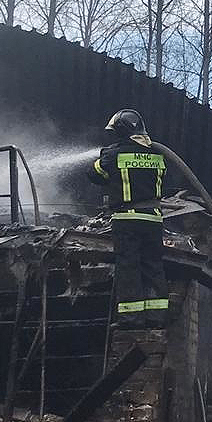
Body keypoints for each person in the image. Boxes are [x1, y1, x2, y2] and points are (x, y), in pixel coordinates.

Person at [89, 109, 169, 328]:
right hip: (154, 219)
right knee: (153, 265)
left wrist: (103, 156)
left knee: (129, 266)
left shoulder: (113, 154)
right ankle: (157, 317)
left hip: (127, 219)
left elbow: (95, 175)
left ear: (121, 131)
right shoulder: (158, 154)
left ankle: (131, 317)